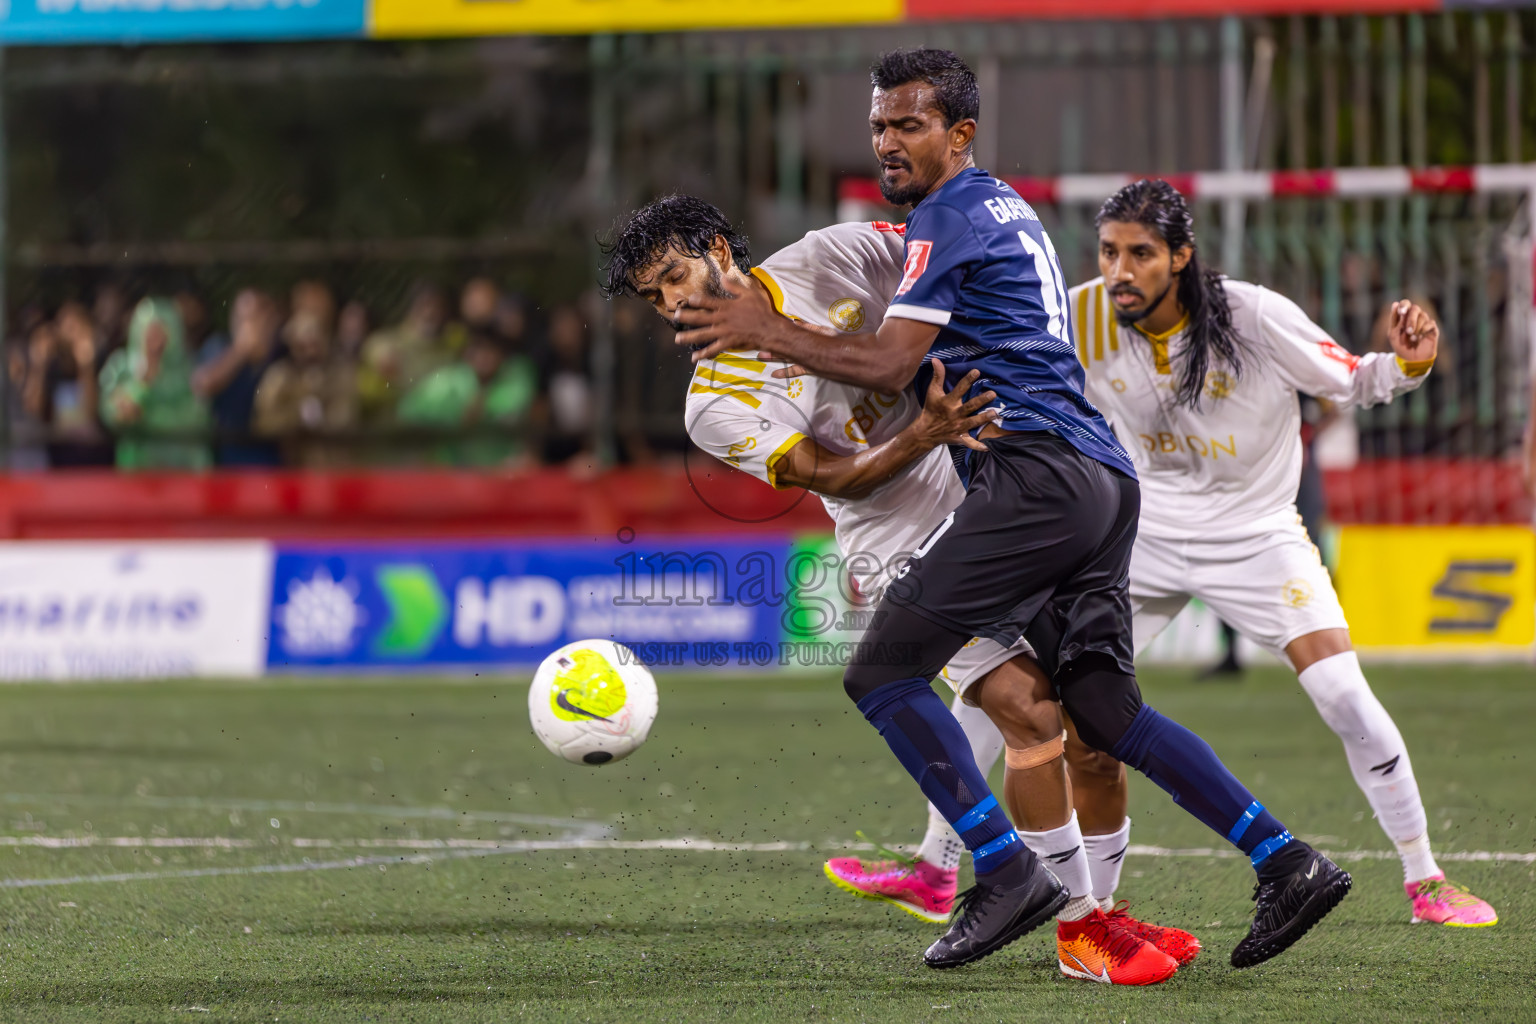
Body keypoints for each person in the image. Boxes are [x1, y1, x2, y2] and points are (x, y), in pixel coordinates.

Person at [674, 48, 1350, 971]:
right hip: (1101, 479)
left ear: (961, 134)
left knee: (879, 677)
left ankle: (1001, 874)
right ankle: (1285, 860)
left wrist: (765, 329)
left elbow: (885, 365)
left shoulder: (944, 217)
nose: (887, 142)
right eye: (878, 125)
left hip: (1033, 476)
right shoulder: (994, 206)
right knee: (1102, 714)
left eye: (908, 124)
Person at [834, 178, 1496, 932]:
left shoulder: (1252, 314)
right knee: (1009, 689)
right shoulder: (1079, 311)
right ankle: (947, 870)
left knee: (1345, 696)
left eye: (1140, 254)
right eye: (1109, 252)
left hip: (1256, 534)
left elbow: (1354, 378)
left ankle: (1426, 878)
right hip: (1138, 533)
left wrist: (1407, 363)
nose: (1119, 270)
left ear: (1180, 257)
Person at [606, 194, 1190, 984]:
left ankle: (1099, 910)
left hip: (990, 489)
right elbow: (832, 478)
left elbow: (937, 273)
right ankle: (1079, 931)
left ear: (718, 249)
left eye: (675, 275)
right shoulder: (713, 405)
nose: (672, 302)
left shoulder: (833, 254)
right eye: (653, 296)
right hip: (900, 539)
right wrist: (922, 432)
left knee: (1091, 715)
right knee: (1026, 709)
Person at [396, 326, 539, 467]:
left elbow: (520, 405)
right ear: (467, 354)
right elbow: (408, 410)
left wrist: (485, 408)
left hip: (501, 471)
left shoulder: (517, 377)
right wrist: (453, 417)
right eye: (478, 350)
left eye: (490, 350)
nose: (484, 357)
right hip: (451, 470)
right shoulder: (448, 381)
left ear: (502, 354)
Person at [98, 297, 210, 471]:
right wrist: (142, 383)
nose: (154, 339)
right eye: (149, 331)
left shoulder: (189, 368)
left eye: (160, 330)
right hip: (138, 472)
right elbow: (112, 413)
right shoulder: (121, 367)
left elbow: (199, 418)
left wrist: (147, 418)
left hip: (183, 470)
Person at [253, 310, 358, 468]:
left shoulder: (342, 373)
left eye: (315, 343)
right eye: (302, 346)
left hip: (336, 467)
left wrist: (321, 399)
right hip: (293, 466)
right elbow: (263, 423)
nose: (311, 351)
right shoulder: (279, 376)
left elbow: (346, 418)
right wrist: (297, 410)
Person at [193, 287, 283, 467]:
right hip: (229, 465)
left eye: (254, 318)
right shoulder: (219, 348)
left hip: (273, 467)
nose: (247, 326)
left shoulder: (281, 354)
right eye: (241, 318)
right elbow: (202, 384)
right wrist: (240, 350)